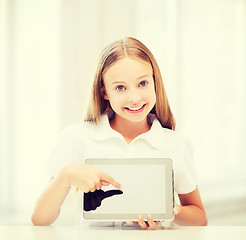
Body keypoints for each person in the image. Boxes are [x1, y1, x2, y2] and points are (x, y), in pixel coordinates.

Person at [31, 37, 207, 229]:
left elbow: (200, 218)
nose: (134, 98)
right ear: (104, 92)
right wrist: (65, 176)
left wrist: (167, 210)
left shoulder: (176, 143)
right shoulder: (77, 137)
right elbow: (40, 220)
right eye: (120, 87)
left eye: (143, 83)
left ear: (155, 82)